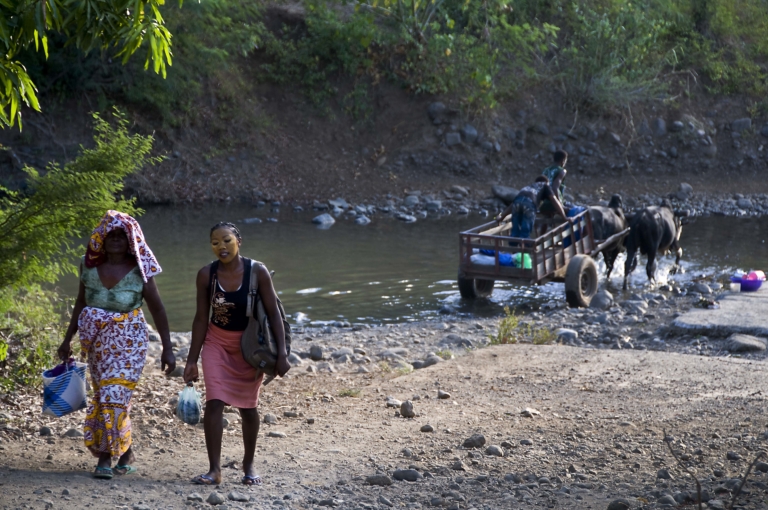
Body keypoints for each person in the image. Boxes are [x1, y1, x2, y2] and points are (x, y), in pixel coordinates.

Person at [57, 210, 176, 480]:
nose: (116, 240)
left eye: (122, 236)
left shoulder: (140, 270)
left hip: (129, 342)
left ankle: (105, 457)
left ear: (131, 241)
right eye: (111, 235)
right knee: (107, 397)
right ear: (101, 237)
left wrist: (167, 348)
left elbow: (158, 308)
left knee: (114, 394)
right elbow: (81, 302)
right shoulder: (88, 266)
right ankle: (126, 452)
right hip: (97, 344)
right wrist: (67, 339)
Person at [184, 222, 290, 486]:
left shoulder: (257, 272)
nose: (221, 246)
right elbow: (201, 318)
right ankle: (214, 470)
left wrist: (282, 354)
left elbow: (274, 314)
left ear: (238, 241)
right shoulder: (206, 275)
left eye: (227, 240)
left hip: (249, 347)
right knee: (214, 403)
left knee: (248, 408)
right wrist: (191, 360)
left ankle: (249, 464)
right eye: (215, 242)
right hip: (216, 343)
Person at [495, 176, 568, 239]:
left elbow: (513, 204)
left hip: (517, 203)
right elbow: (554, 200)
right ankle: (527, 248)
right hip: (529, 204)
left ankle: (513, 248)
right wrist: (564, 217)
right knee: (525, 231)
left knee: (515, 232)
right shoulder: (545, 185)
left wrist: (501, 217)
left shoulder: (528, 187)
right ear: (546, 182)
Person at [539, 150, 568, 216]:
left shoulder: (545, 170)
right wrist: (560, 205)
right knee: (577, 210)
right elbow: (555, 188)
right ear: (563, 160)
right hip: (553, 204)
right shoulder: (562, 171)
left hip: (543, 205)